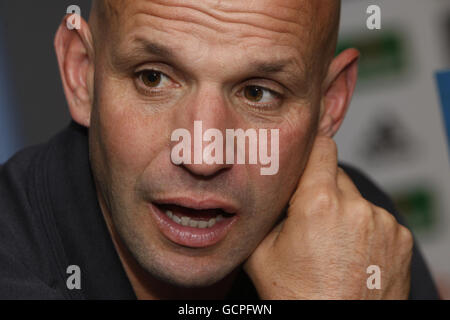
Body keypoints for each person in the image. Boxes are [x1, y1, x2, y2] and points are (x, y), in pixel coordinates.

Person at [0, 0, 439, 299]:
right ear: (82, 76)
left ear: (329, 104)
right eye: (153, 78)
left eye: (258, 93)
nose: (202, 155)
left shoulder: (358, 237)